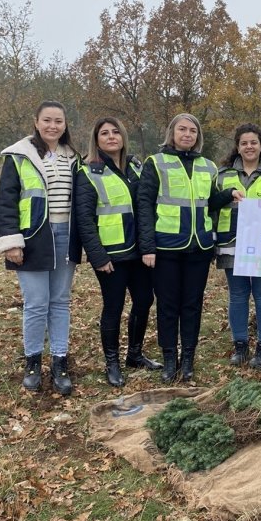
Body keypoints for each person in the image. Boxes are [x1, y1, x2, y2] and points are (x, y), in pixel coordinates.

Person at [137, 114, 240, 383]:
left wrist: (228, 194)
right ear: (171, 133)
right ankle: (170, 358)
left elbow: (208, 204)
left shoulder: (208, 166)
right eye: (182, 129)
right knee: (168, 305)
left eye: (193, 131)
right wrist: (147, 246)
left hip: (199, 248)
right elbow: (145, 207)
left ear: (198, 136)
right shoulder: (155, 163)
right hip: (165, 247)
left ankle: (188, 359)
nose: (187, 134)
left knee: (192, 305)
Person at [0, 100, 81, 395]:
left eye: (58, 121)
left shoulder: (73, 157)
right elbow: (6, 202)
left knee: (60, 301)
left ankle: (59, 361)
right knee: (36, 303)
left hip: (66, 235)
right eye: (47, 120)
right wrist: (11, 242)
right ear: (36, 122)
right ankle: (32, 362)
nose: (53, 126)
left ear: (65, 125)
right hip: (33, 238)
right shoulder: (19, 156)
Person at [74, 117, 162, 388]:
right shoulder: (89, 171)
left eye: (115, 132)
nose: (111, 137)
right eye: (104, 133)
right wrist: (98, 256)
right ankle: (111, 362)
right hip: (111, 255)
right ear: (96, 139)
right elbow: (84, 219)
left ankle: (134, 354)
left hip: (139, 251)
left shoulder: (136, 167)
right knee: (113, 307)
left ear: (123, 136)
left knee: (144, 300)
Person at [214, 124, 261, 369]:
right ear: (237, 146)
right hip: (231, 242)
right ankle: (240, 346)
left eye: (253, 142)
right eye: (244, 143)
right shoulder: (222, 175)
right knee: (237, 295)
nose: (249, 147)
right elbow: (211, 206)